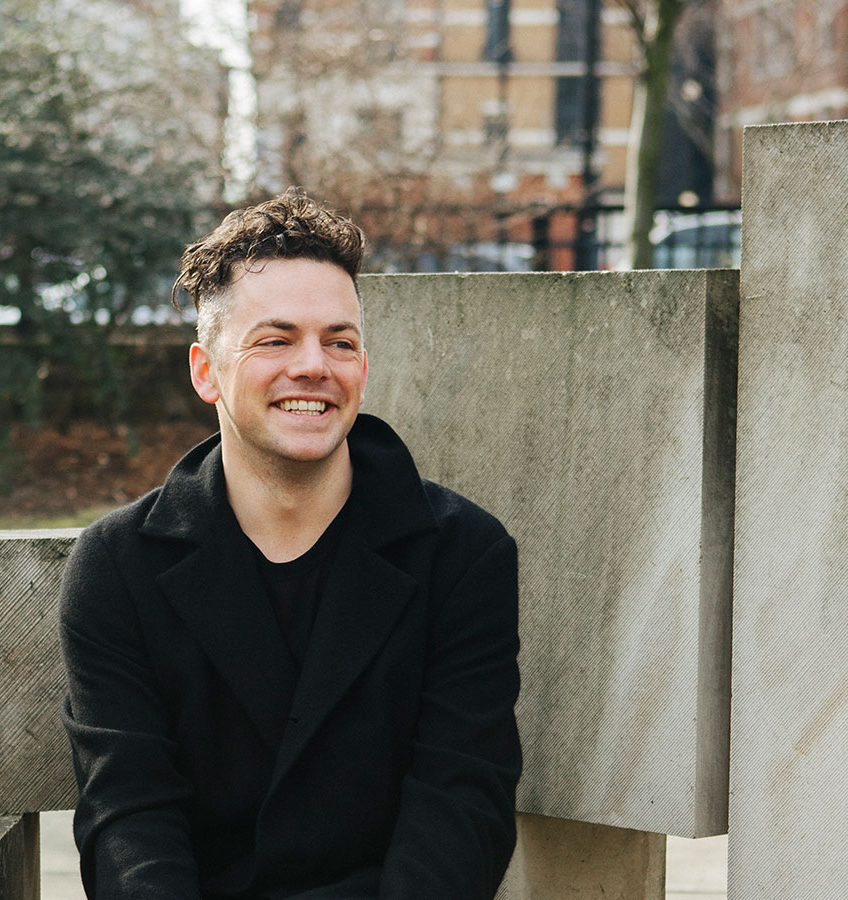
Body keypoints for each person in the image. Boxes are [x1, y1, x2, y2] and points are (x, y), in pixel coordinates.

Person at [59, 188, 521, 900]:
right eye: (276, 339)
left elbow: (461, 805)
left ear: (363, 368)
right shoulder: (119, 566)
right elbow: (129, 817)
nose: (314, 366)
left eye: (340, 341)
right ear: (205, 371)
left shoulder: (462, 554)